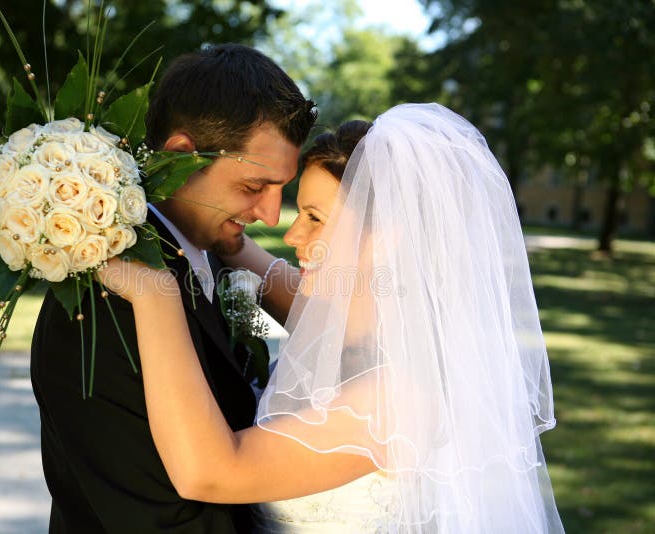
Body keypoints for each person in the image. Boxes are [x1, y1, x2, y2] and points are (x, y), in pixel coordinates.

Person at [99, 104, 565, 532]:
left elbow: (212, 474)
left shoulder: (394, 398)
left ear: (387, 237)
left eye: (315, 217)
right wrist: (219, 226)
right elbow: (264, 270)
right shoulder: (355, 329)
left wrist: (154, 298)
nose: (293, 232)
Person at [30, 43, 316, 533]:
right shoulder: (104, 307)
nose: (271, 216)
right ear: (182, 155)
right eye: (253, 188)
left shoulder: (210, 253)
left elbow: (335, 326)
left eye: (282, 189)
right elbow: (162, 520)